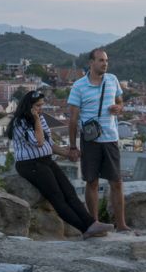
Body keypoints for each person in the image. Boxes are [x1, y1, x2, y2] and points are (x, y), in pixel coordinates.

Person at [7, 90, 114, 239]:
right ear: (29, 106)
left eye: (42, 105)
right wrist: (36, 119)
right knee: (57, 197)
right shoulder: (20, 123)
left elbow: (49, 144)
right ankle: (85, 229)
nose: (41, 108)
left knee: (69, 191)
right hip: (30, 164)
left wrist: (70, 154)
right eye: (38, 106)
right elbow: (38, 141)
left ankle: (92, 223)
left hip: (46, 160)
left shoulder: (41, 119)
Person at [67, 49, 129, 232]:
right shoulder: (79, 86)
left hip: (110, 137)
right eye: (101, 60)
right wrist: (72, 146)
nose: (105, 64)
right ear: (91, 63)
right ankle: (94, 224)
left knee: (116, 182)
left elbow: (120, 102)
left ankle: (122, 224)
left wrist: (118, 108)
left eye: (106, 60)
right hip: (90, 139)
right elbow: (72, 119)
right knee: (92, 181)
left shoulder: (112, 80)